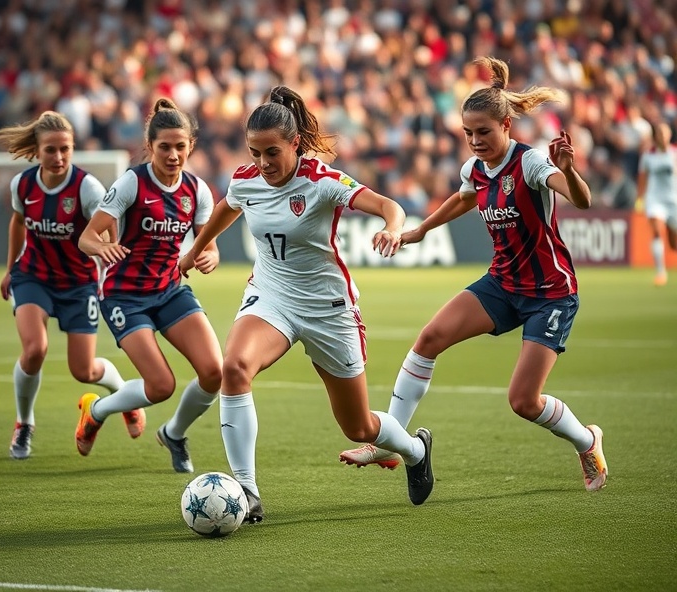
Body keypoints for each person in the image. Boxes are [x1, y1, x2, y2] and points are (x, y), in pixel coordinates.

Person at [340, 57, 608, 493]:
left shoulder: (532, 164)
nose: (475, 141)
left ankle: (586, 439)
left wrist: (571, 170)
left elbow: (582, 201)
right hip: (501, 283)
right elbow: (464, 199)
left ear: (506, 125)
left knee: (523, 401)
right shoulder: (475, 169)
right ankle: (390, 440)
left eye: (483, 132)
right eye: (468, 133)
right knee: (428, 339)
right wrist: (419, 231)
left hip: (549, 293)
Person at [179, 85, 434, 524]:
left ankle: (414, 451)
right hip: (271, 297)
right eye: (255, 152)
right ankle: (247, 490)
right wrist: (195, 248)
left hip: (327, 310)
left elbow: (389, 206)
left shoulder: (322, 181)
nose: (263, 163)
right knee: (234, 368)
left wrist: (393, 228)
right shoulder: (246, 180)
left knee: (359, 428)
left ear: (295, 143)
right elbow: (227, 207)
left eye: (272, 152)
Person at [74, 98, 222, 474]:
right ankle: (96, 411)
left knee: (214, 373)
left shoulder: (197, 191)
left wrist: (209, 257)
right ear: (150, 146)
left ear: (191, 146)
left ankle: (174, 434)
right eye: (165, 147)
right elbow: (86, 239)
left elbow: (210, 245)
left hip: (171, 291)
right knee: (160, 386)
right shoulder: (132, 183)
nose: (173, 155)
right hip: (126, 296)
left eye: (180, 147)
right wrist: (103, 246)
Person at [0, 111, 140, 460]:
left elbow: (110, 225)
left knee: (84, 370)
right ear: (37, 150)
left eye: (66, 149)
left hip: (78, 285)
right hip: (33, 277)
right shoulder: (23, 185)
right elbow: (17, 224)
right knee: (34, 350)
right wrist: (10, 269)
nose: (59, 157)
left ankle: (122, 396)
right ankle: (24, 423)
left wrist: (110, 257)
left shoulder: (87, 188)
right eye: (51, 150)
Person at [636, 120, 677, 286]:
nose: (661, 136)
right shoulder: (647, 155)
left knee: (674, 244)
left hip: (673, 200)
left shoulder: (674, 153)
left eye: (664, 133)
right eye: (659, 133)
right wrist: (639, 198)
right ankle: (661, 272)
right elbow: (642, 177)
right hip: (655, 199)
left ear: (669, 135)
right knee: (656, 231)